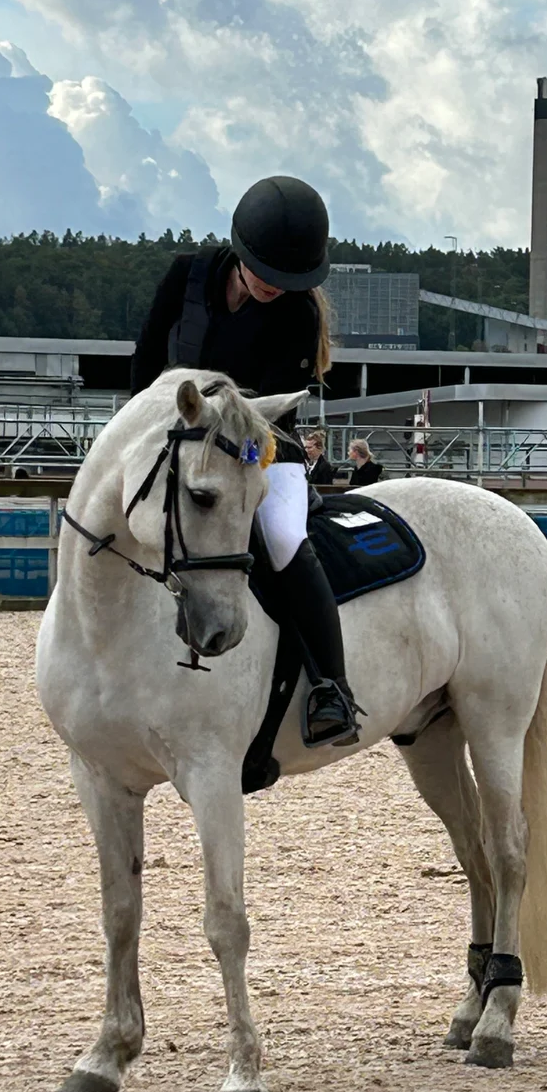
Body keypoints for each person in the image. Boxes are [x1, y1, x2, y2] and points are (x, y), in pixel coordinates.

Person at [131, 175, 361, 747]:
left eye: (290, 281)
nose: (275, 288)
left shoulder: (299, 314)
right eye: (267, 275)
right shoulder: (187, 275)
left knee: (282, 536)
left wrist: (241, 460)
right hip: (177, 441)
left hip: (262, 446)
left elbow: (271, 415)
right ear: (240, 251)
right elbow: (143, 362)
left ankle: (332, 686)